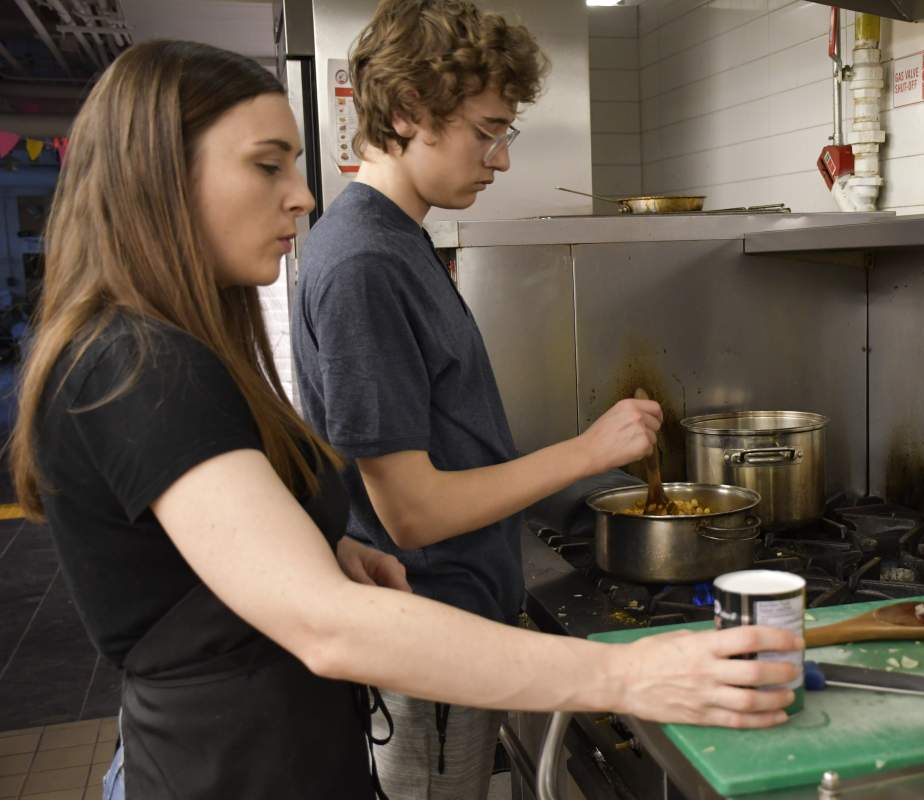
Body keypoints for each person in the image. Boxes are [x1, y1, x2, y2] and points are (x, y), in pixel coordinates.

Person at [8, 39, 801, 800]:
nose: (303, 192)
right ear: (158, 177)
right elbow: (327, 626)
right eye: (266, 165)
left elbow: (202, 568)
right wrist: (631, 675)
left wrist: (331, 546)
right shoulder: (140, 364)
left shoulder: (170, 349)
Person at [290, 3, 671, 796]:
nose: (499, 160)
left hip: (456, 624)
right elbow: (412, 513)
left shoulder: (398, 240)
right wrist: (588, 453)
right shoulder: (365, 263)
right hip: (426, 640)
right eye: (486, 131)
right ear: (405, 114)